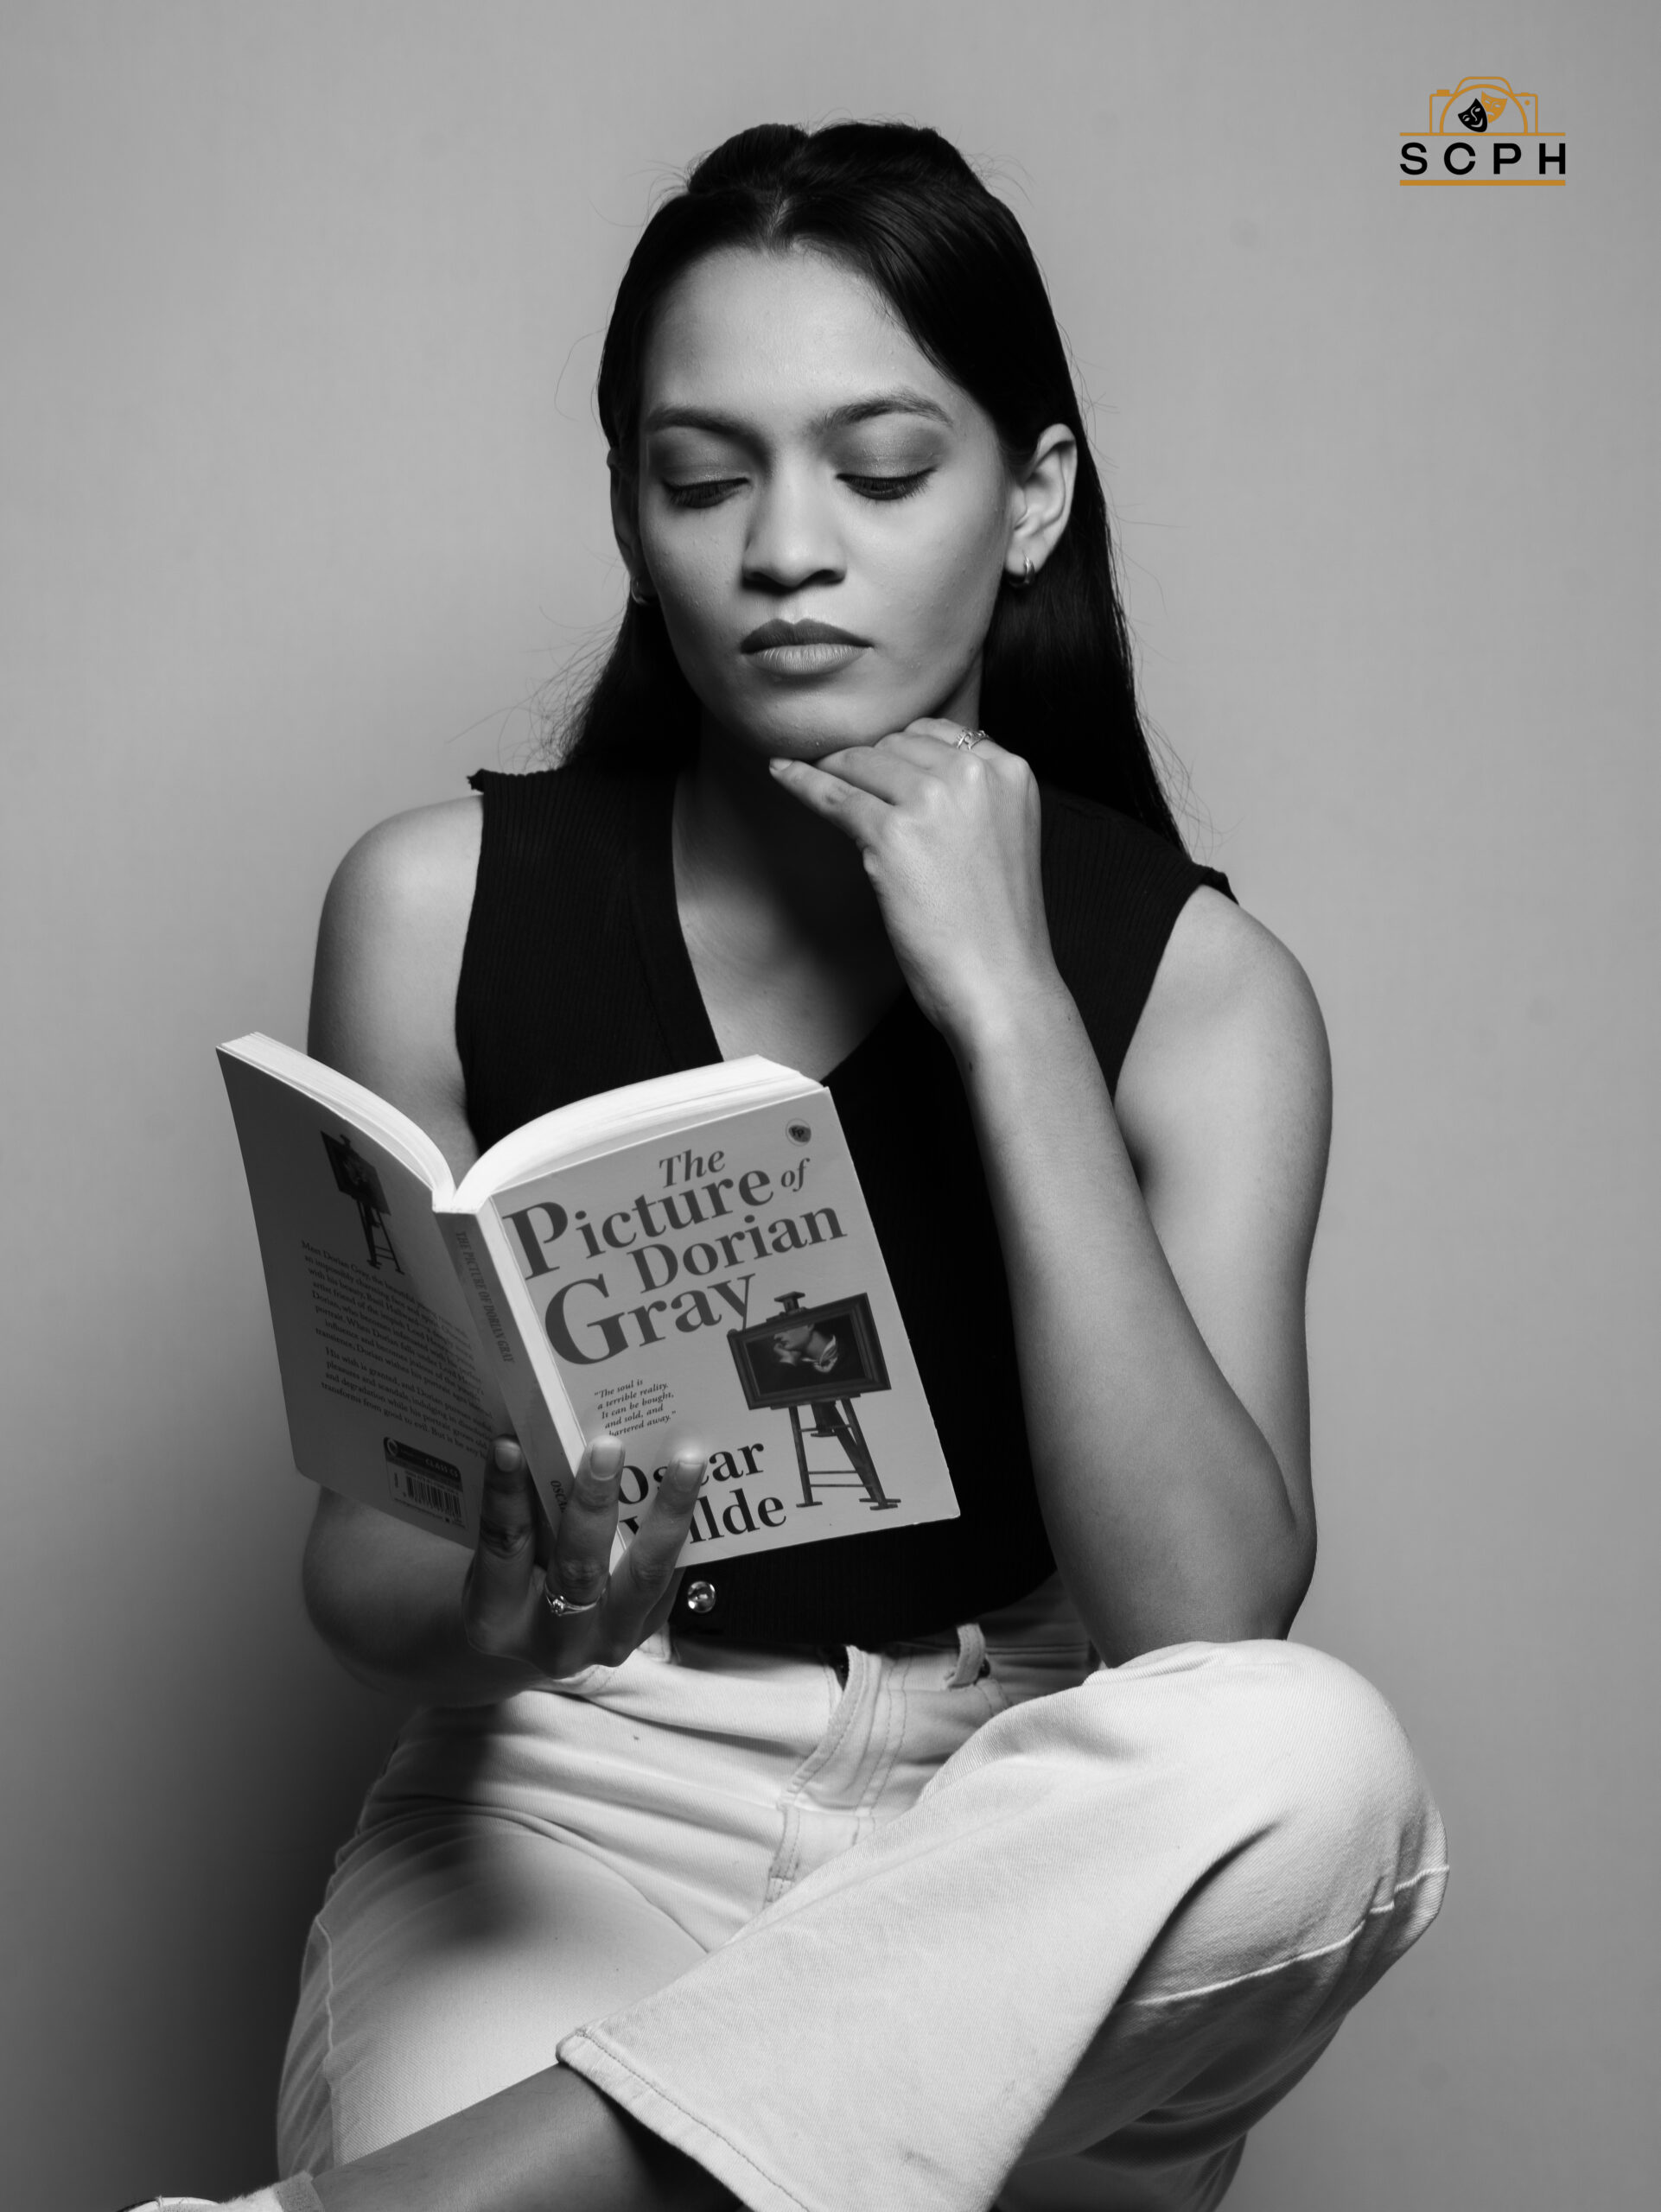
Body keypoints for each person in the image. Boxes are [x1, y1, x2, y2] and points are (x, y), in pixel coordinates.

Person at [128, 121, 1446, 2212]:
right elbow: (358, 1566)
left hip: (1021, 1829)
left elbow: (1204, 1620)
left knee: (1312, 1754)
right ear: (630, 511)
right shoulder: (432, 905)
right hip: (587, 1794)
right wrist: (515, 1602)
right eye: (701, 475)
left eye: (883, 468)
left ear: (1032, 496)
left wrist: (1009, 999)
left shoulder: (1203, 993)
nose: (787, 550)